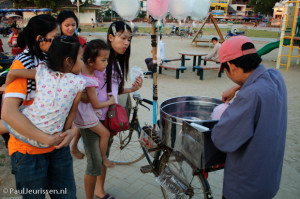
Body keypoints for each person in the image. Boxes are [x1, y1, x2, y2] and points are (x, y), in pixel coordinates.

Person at [1, 15, 77, 198]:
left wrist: (72, 132)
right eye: (56, 37)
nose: (61, 40)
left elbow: (65, 103)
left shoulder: (56, 61)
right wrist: (46, 138)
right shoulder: (23, 63)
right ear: (40, 40)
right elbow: (8, 113)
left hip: (58, 149)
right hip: (28, 153)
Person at [211, 36, 287, 199]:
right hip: (269, 180)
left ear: (230, 65)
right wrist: (236, 87)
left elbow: (222, 139)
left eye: (225, 70)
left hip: (246, 188)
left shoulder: (249, 96)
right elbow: (262, 75)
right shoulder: (276, 78)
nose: (227, 74)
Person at [79, 21, 143, 199]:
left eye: (129, 39)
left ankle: (100, 191)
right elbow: (82, 90)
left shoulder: (114, 61)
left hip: (107, 118)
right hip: (93, 119)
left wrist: (132, 89)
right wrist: (94, 101)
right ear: (110, 37)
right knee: (94, 163)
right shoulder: (99, 61)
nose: (126, 43)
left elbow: (113, 90)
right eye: (123, 38)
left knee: (103, 157)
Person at [1, 35, 85, 148]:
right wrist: (64, 132)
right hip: (52, 136)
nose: (82, 63)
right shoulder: (79, 83)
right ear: (68, 61)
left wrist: (5, 87)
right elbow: (73, 112)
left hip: (31, 131)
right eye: (81, 58)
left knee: (17, 113)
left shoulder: (42, 71)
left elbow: (12, 73)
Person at [71, 39, 116, 169]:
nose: (106, 63)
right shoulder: (90, 81)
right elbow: (96, 105)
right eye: (103, 60)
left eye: (107, 60)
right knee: (105, 134)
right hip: (87, 115)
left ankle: (73, 147)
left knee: (81, 127)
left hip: (81, 113)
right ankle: (104, 158)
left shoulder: (81, 70)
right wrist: (110, 101)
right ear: (90, 61)